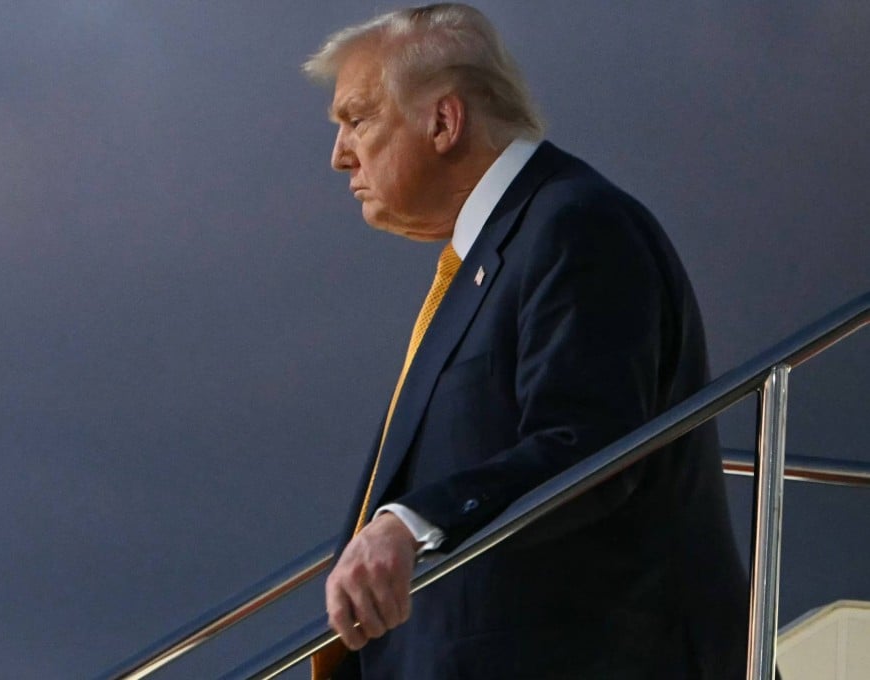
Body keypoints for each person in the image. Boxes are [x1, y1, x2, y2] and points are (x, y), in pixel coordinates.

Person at [303, 4, 749, 679]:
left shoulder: (575, 223)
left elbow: (592, 446)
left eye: (357, 119)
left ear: (444, 122)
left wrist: (411, 525)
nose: (339, 154)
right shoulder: (498, 253)